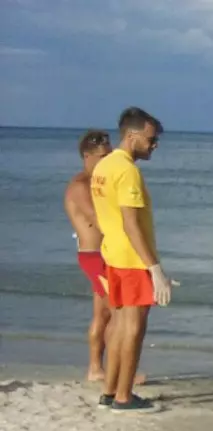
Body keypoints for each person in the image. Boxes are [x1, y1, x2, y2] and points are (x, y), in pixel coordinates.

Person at [89, 107, 171, 413]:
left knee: (121, 325)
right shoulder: (127, 171)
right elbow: (131, 224)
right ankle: (124, 395)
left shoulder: (104, 166)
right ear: (132, 135)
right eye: (151, 139)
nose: (154, 145)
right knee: (134, 328)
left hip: (114, 255)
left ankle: (110, 391)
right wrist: (155, 268)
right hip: (132, 259)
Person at [64, 130, 145, 386]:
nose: (106, 160)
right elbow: (100, 220)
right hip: (95, 256)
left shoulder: (97, 181)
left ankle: (97, 369)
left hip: (104, 254)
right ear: (86, 156)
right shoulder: (80, 186)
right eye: (101, 156)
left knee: (103, 315)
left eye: (109, 154)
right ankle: (111, 372)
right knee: (117, 314)